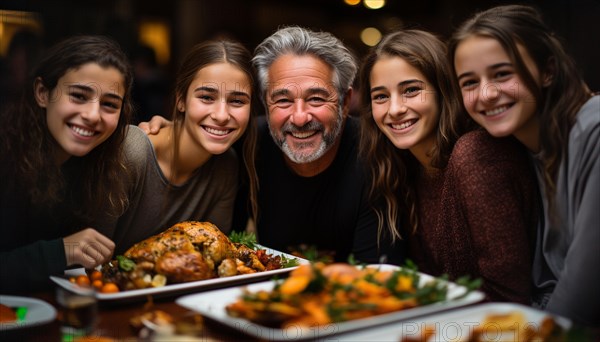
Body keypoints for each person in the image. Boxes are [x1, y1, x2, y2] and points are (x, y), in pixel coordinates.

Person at [142, 26, 402, 264]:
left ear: (345, 103)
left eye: (316, 98)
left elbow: (378, 277)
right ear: (266, 104)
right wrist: (168, 132)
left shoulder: (376, 152)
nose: (300, 118)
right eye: (283, 100)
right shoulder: (245, 144)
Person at [358, 29, 538, 303]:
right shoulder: (405, 167)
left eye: (411, 90)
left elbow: (509, 296)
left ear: (444, 90)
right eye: (381, 96)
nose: (394, 109)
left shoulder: (476, 155)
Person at [449, 4, 599, 325]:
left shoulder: (594, 130)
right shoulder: (522, 149)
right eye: (469, 82)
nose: (486, 94)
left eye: (503, 74)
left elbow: (584, 289)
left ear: (548, 71)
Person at [0, 35, 134, 293]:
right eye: (78, 96)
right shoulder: (6, 158)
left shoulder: (96, 167)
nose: (93, 115)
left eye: (109, 104)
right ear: (42, 93)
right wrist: (62, 251)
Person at [101, 40, 258, 254]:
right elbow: (83, 260)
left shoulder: (226, 164)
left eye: (237, 101)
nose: (221, 115)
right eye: (206, 97)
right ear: (181, 100)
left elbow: (212, 259)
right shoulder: (131, 151)